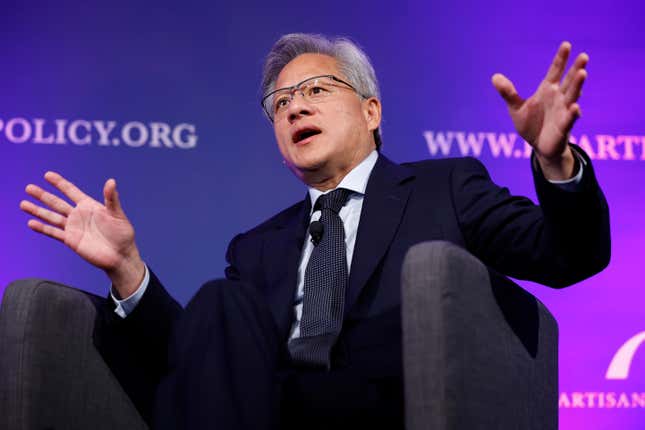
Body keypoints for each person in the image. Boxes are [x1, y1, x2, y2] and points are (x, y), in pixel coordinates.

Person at [20, 33, 610, 429]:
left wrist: (556, 164)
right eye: (281, 103)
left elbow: (568, 255)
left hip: (390, 404)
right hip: (265, 411)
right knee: (221, 304)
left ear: (371, 112)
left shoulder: (445, 187)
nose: (295, 108)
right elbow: (204, 363)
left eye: (316, 91)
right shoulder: (256, 247)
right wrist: (127, 269)